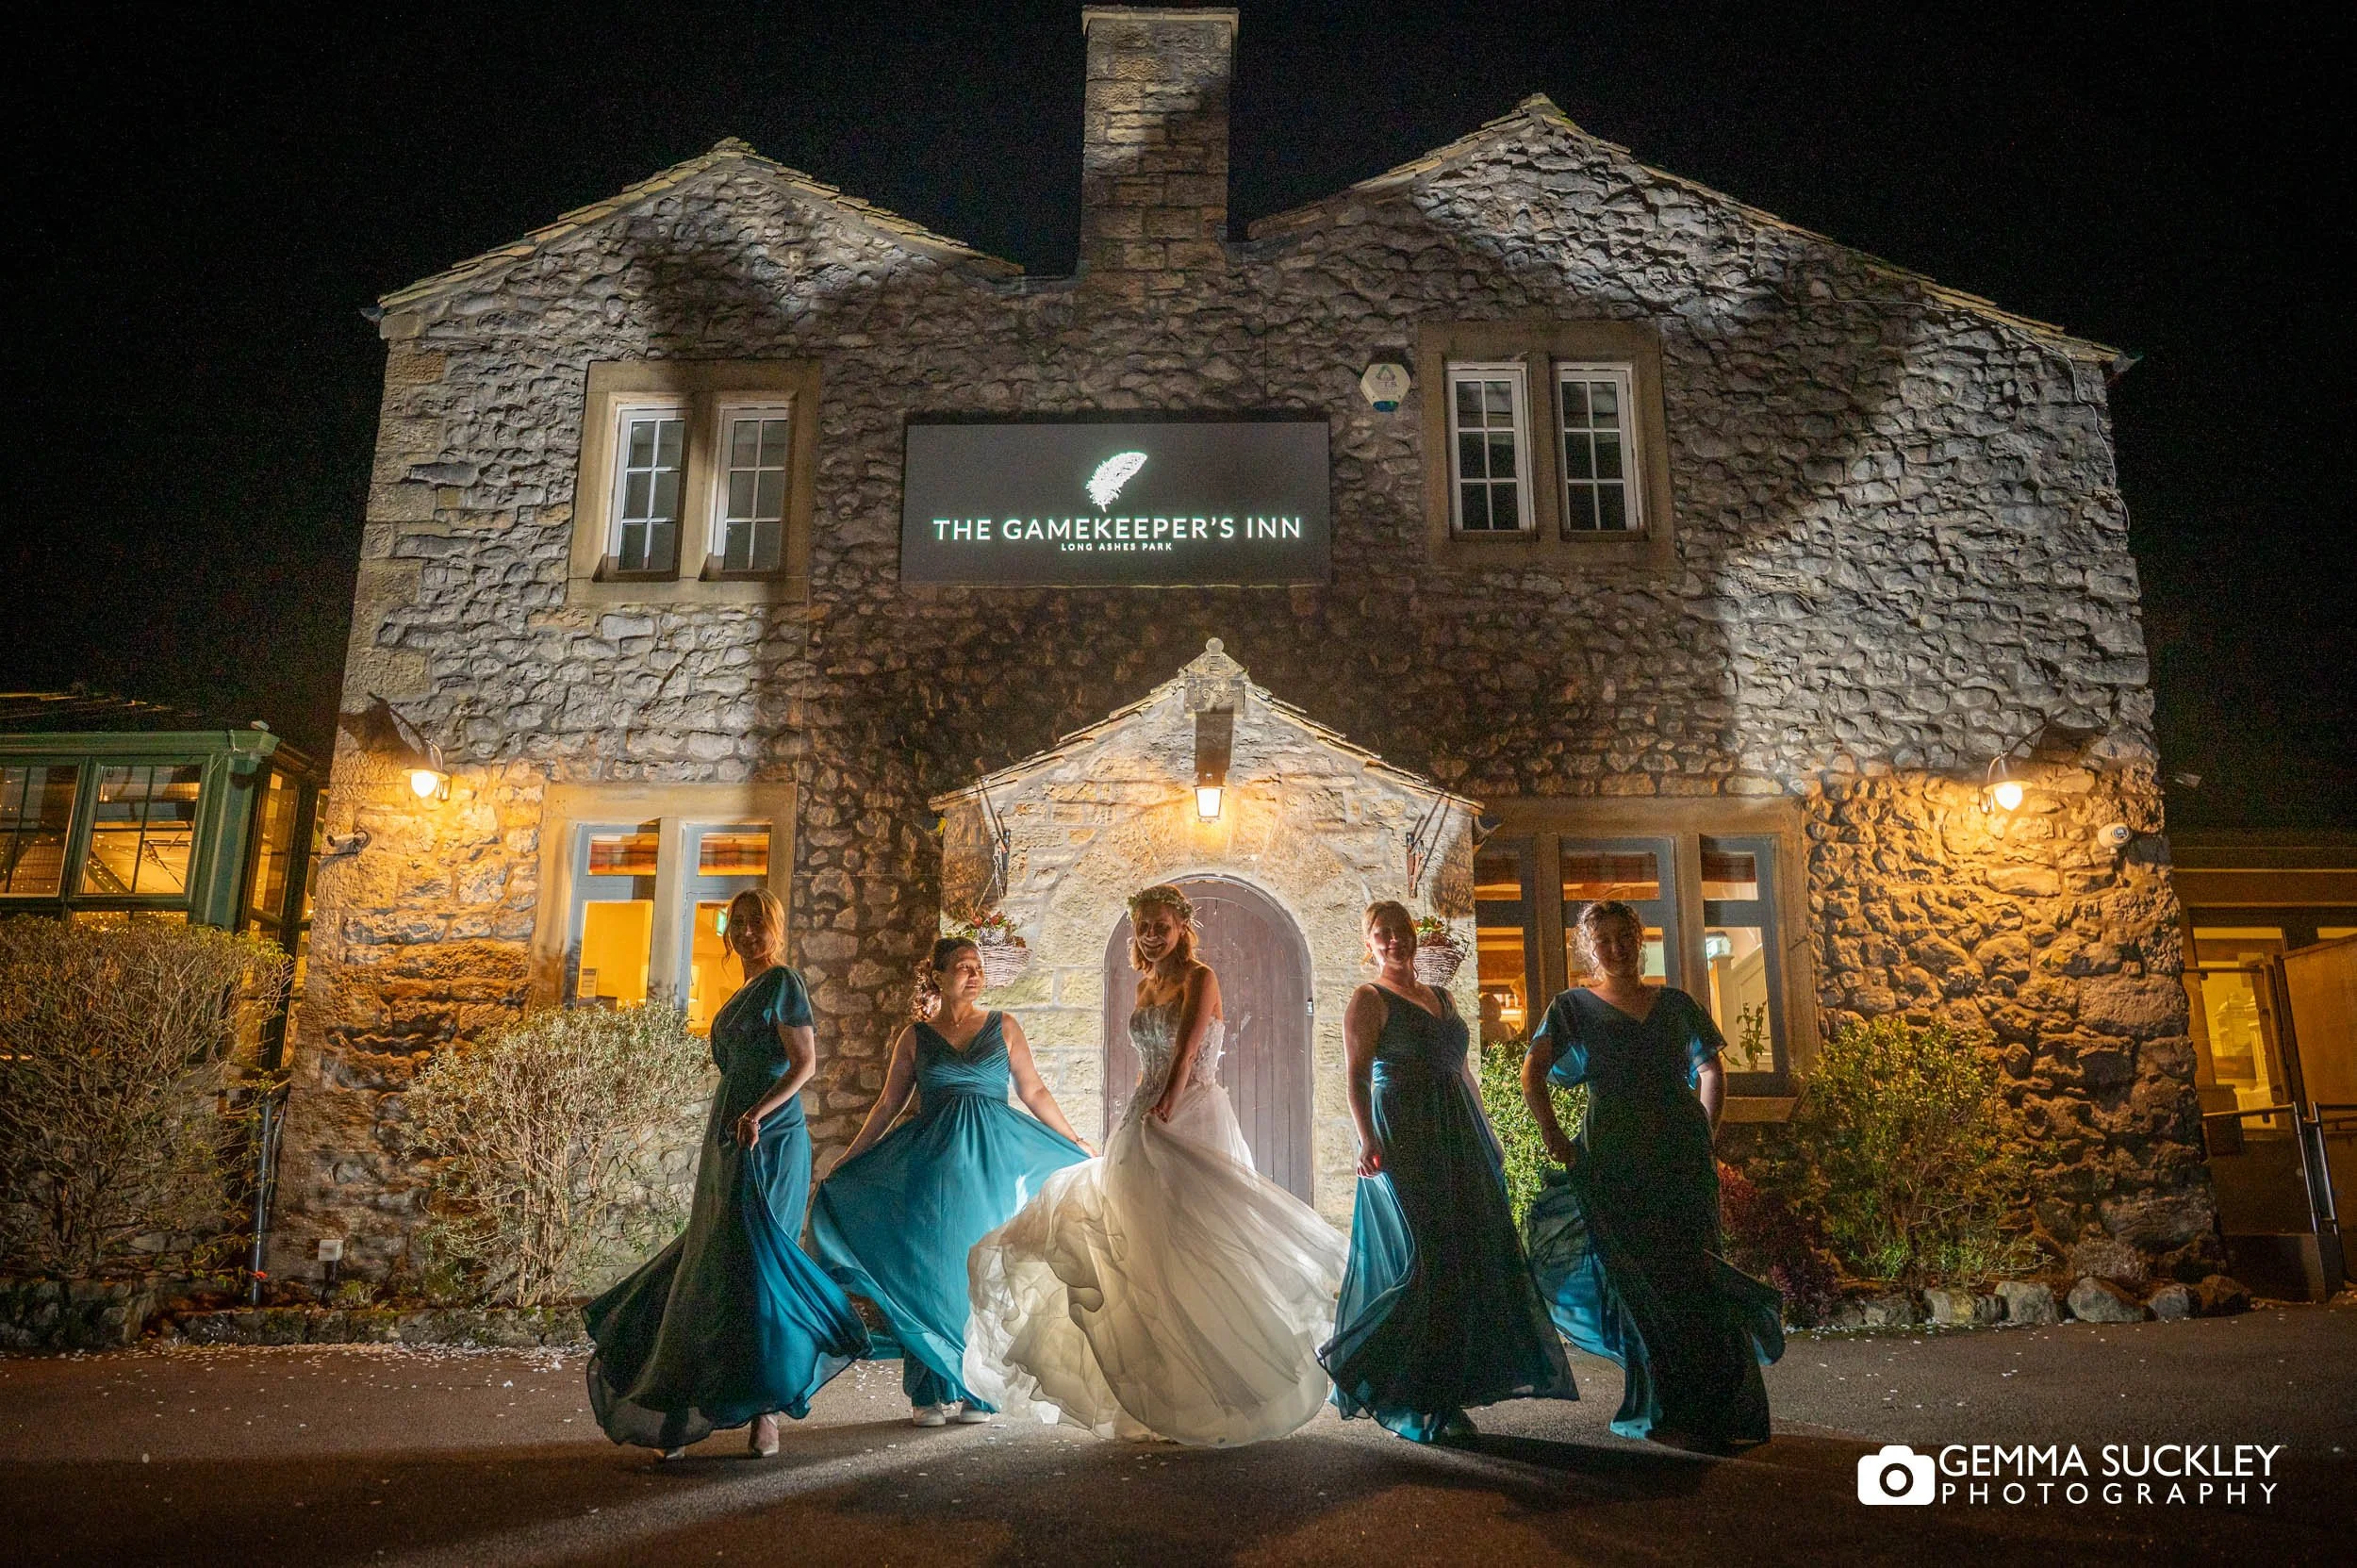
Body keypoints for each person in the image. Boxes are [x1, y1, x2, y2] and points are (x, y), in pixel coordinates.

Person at [964, 883, 1349, 1445]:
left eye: (1161, 924)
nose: (1151, 933)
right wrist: (1140, 1110)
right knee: (1141, 1250)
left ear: (1181, 927)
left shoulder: (1200, 977)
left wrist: (1169, 1102)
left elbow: (1188, 1049)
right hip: (1144, 1113)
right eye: (1143, 925)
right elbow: (1148, 1058)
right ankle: (1161, 1393)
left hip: (1190, 1109)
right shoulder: (1144, 983)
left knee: (1195, 1243)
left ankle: (1219, 1386)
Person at [584, 888, 869, 1459]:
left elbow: (804, 1063)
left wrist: (758, 1112)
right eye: (736, 923)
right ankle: (680, 1408)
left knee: (761, 1267)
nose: (746, 932)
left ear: (775, 927)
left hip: (772, 1135)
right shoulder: (739, 995)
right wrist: (737, 1117)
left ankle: (767, 1415)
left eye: (757, 922)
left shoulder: (783, 982)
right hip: (730, 1135)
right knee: (711, 1264)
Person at [1519, 900, 1784, 1450]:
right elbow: (1533, 1072)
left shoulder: (1677, 1004)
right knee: (1641, 1281)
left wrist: (1703, 1135)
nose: (1616, 948)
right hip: (1614, 1159)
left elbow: (1710, 1068)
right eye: (1604, 940)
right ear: (1590, 949)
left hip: (1679, 1162)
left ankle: (1717, 1408)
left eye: (1625, 937)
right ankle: (1666, 1405)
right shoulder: (1571, 1006)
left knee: (1694, 1274)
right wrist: (1554, 1137)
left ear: (1641, 941)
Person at [1320, 902, 1576, 1442]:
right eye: (1382, 934)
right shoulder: (1368, 999)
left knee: (1466, 1254)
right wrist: (1367, 1139)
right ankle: (1410, 1395)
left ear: (1415, 938)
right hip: (1406, 1133)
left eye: (1402, 932)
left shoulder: (1442, 997)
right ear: (1370, 943)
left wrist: (1487, 1131)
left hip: (1456, 1131)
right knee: (1428, 1256)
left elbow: (1461, 1072)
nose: (1395, 941)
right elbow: (1356, 1077)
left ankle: (1447, 1389)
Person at [814, 936, 1094, 1428]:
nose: (973, 973)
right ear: (939, 976)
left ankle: (979, 1393)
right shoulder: (916, 1036)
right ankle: (927, 1394)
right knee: (929, 1274)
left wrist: (1074, 1140)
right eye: (963, 967)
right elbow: (888, 1105)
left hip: (991, 1172)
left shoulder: (1004, 1026)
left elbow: (1034, 1090)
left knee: (982, 1277)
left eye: (978, 966)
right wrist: (850, 1158)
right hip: (930, 1172)